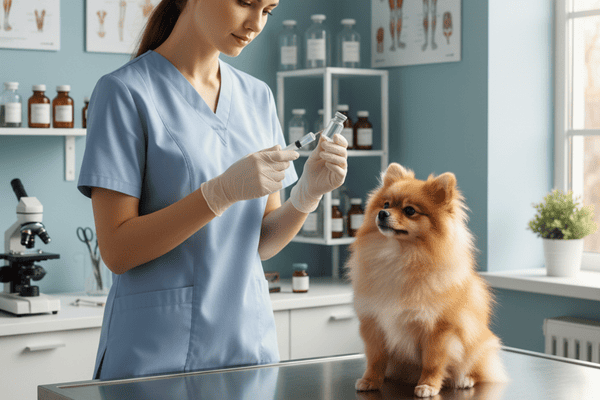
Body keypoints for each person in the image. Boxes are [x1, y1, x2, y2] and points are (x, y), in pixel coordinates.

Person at [77, 0, 348, 380]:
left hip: (247, 348)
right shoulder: (124, 92)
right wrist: (218, 193)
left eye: (268, 10)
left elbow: (261, 242)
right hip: (156, 356)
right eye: (246, 3)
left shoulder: (257, 97)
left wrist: (307, 194)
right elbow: (118, 250)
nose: (255, 23)